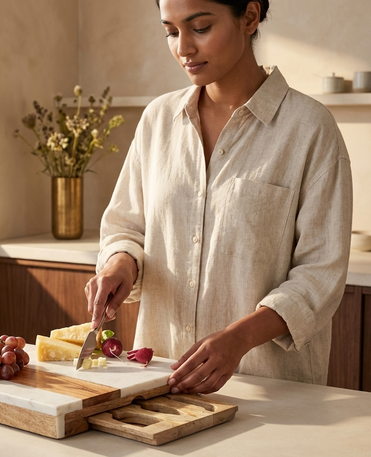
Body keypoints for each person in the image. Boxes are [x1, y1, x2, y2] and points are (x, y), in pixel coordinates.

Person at [84, 0, 353, 395]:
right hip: (160, 381)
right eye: (171, 32)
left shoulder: (309, 129)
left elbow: (320, 275)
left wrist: (238, 338)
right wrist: (120, 265)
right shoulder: (158, 121)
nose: (183, 48)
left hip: (270, 395)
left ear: (249, 17)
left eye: (201, 28)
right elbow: (126, 227)